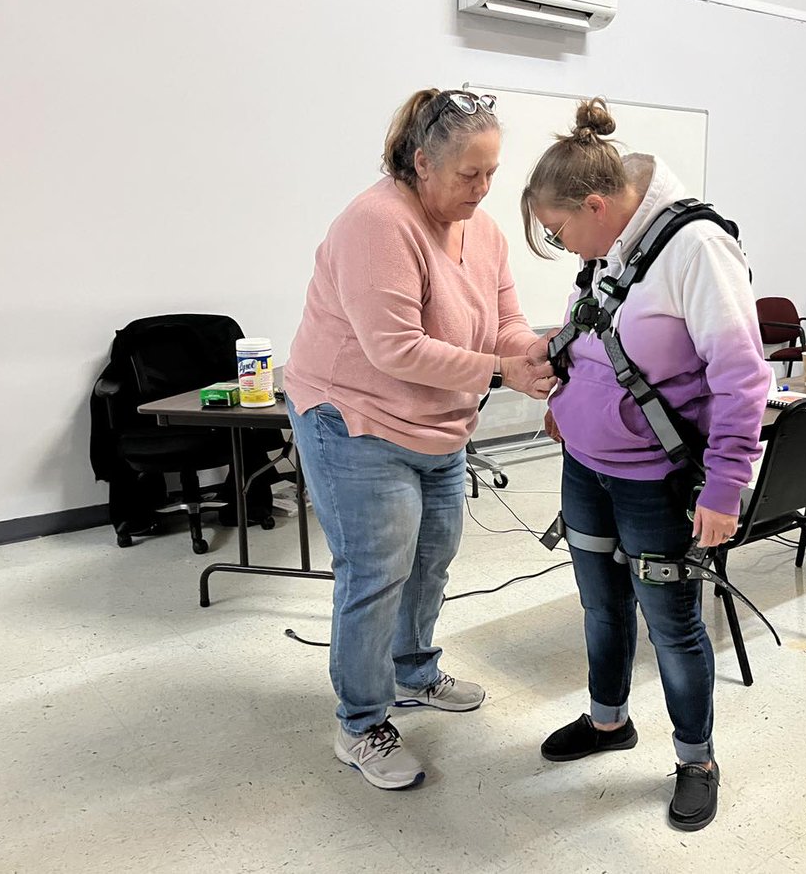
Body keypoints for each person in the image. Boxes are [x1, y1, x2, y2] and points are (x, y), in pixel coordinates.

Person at [283, 88, 556, 791]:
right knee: (377, 572)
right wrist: (504, 369)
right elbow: (394, 349)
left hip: (437, 424)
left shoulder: (484, 229)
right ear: (420, 161)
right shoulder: (377, 224)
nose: (483, 188)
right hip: (356, 419)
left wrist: (532, 350)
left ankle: (413, 675)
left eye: (492, 171)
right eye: (469, 173)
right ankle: (359, 723)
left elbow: (505, 320)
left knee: (432, 556)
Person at [522, 98, 772, 830]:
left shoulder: (695, 248)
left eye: (558, 231)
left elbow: (742, 376)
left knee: (672, 625)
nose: (562, 246)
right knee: (601, 605)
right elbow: (593, 329)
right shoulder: (609, 245)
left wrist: (726, 485)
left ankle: (697, 758)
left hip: (654, 481)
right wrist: (564, 398)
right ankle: (608, 722)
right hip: (586, 469)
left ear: (596, 205)